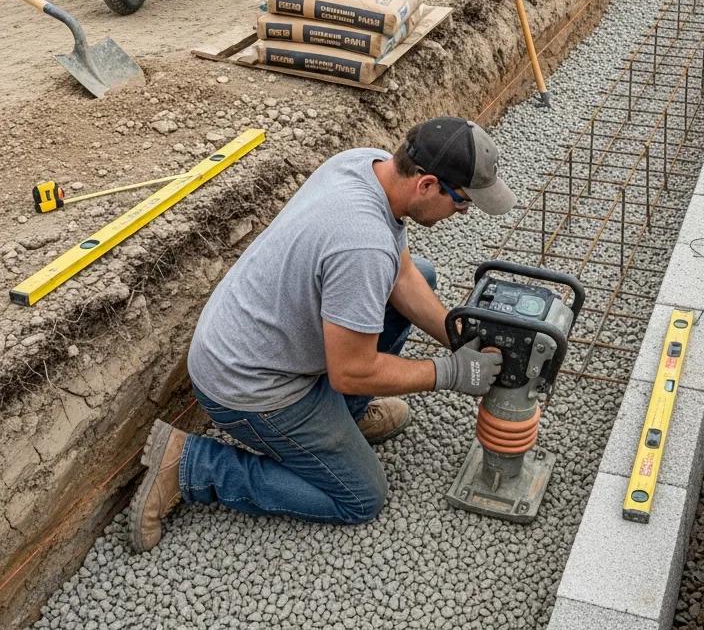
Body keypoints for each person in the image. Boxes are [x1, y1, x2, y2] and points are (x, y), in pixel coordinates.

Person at [128, 117, 516, 552]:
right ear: (427, 185)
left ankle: (342, 418)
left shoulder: (366, 164)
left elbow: (403, 276)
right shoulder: (362, 244)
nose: (461, 214)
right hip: (249, 385)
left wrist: (457, 339)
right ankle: (193, 465)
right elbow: (351, 372)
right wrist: (452, 373)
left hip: (254, 339)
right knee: (360, 496)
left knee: (419, 273)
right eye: (461, 203)